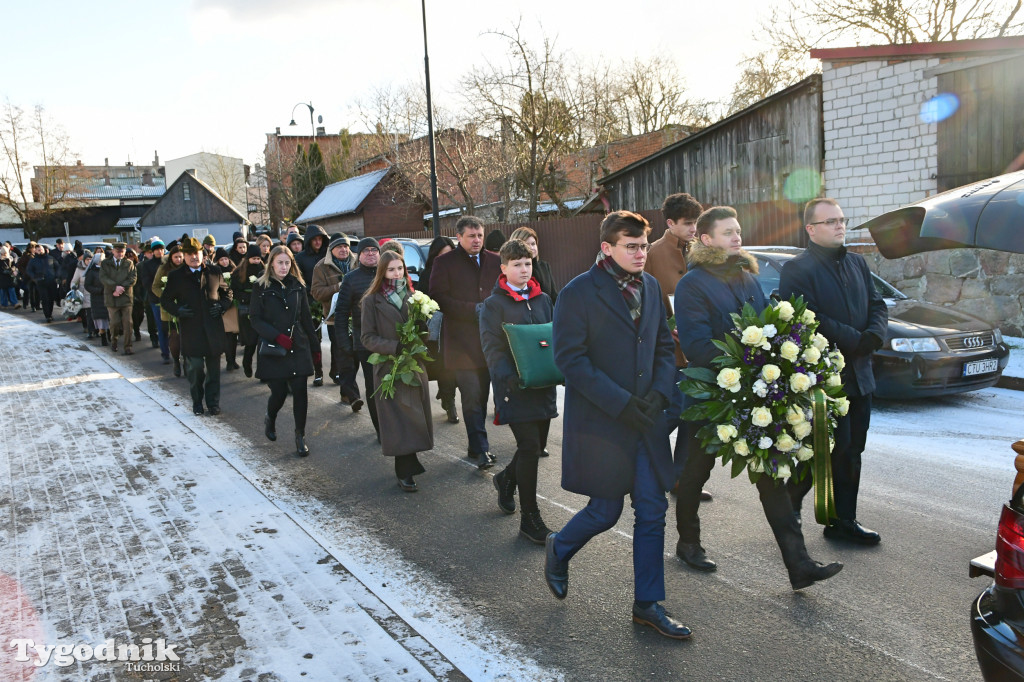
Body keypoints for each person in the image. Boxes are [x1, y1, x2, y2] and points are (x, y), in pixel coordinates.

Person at [674, 205, 843, 590]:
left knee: (770, 475)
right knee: (694, 472)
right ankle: (688, 542)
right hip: (711, 397)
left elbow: (768, 327)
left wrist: (783, 358)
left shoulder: (747, 277)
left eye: (738, 230)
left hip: (754, 397)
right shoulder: (692, 284)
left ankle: (799, 565)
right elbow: (697, 346)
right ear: (706, 239)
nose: (737, 237)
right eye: (728, 232)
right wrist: (748, 363)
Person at [544, 210, 691, 640]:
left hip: (647, 420)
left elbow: (663, 346)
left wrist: (660, 394)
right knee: (605, 511)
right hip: (603, 421)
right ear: (607, 247)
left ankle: (648, 604)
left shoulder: (651, 286)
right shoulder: (577, 292)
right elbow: (570, 359)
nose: (641, 253)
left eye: (644, 245)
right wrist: (621, 403)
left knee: (652, 509)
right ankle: (560, 547)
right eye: (631, 246)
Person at [781, 198, 887, 546]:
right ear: (811, 229)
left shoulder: (857, 262)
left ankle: (843, 521)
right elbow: (808, 317)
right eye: (830, 221)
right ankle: (789, 502)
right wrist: (856, 339)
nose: (840, 225)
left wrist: (874, 335)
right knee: (826, 449)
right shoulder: (797, 268)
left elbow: (877, 304)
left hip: (860, 373)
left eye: (841, 219)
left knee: (853, 449)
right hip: (825, 378)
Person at [479, 239, 556, 543]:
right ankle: (530, 519)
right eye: (517, 264)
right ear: (503, 268)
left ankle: (506, 479)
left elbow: (555, 336)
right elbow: (492, 348)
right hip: (515, 388)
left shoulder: (543, 299)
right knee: (529, 447)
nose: (524, 269)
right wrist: (509, 378)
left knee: (535, 447)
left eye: (527, 263)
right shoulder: (494, 305)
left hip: (544, 385)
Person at [643, 193, 712, 501]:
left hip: (698, 348)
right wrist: (664, 329)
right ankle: (645, 466)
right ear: (670, 223)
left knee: (692, 417)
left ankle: (681, 479)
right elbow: (644, 301)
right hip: (668, 350)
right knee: (671, 413)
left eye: (696, 222)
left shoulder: (700, 251)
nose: (693, 228)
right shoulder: (653, 253)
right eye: (687, 223)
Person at [429, 216, 502, 469]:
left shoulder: (495, 260)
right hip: (460, 343)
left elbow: (502, 290)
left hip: (488, 342)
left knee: (481, 396)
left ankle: (474, 445)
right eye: (471, 236)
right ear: (459, 237)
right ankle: (482, 449)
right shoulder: (444, 262)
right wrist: (472, 309)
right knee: (470, 395)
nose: (477, 240)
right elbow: (438, 297)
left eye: (480, 235)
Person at [360, 251, 434, 491]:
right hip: (389, 367)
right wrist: (394, 347)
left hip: (413, 365)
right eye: (391, 269)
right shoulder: (371, 300)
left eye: (400, 268)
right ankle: (404, 468)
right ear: (382, 272)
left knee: (414, 415)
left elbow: (423, 332)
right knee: (399, 419)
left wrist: (422, 329)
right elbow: (367, 338)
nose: (396, 274)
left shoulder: (414, 297)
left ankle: (409, 462)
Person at [250, 245, 319, 457]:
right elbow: (255, 319)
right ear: (271, 263)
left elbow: (306, 318)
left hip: (298, 345)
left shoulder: (297, 285)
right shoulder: (261, 286)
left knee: (300, 391)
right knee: (279, 392)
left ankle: (300, 436)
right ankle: (270, 417)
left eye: (287, 263)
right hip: (274, 348)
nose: (284, 267)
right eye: (280, 262)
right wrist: (276, 336)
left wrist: (315, 348)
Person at [160, 237, 229, 416]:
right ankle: (197, 402)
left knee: (214, 370)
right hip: (191, 329)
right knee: (196, 369)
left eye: (196, 253)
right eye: (189, 254)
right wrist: (178, 310)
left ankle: (213, 403)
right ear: (184, 256)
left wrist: (221, 306)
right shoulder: (176, 276)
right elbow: (165, 300)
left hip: (212, 328)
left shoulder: (214, 271)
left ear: (202, 254)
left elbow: (227, 293)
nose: (193, 257)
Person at [334, 238, 380, 432]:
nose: (370, 253)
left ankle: (393, 425)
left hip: (390, 341)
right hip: (365, 344)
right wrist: (345, 344)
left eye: (374, 250)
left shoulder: (387, 273)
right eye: (365, 250)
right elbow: (341, 314)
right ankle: (380, 429)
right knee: (374, 387)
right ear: (359, 255)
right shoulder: (351, 279)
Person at [421, 236, 459, 424]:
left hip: (457, 326)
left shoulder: (460, 272)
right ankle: (449, 402)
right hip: (435, 330)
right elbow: (421, 302)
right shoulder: (427, 274)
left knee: (457, 368)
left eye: (449, 254)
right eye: (442, 255)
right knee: (444, 366)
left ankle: (446, 395)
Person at [311, 234, 356, 385]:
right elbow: (316, 293)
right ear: (331, 249)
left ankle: (341, 373)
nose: (344, 249)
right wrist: (338, 287)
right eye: (339, 247)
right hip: (334, 317)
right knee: (339, 348)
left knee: (353, 350)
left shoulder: (357, 262)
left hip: (356, 315)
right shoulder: (321, 267)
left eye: (346, 246)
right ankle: (337, 373)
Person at [231, 244, 265, 377]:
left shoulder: (263, 270)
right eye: (254, 258)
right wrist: (247, 296)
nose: (256, 261)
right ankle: (247, 362)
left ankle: (262, 370)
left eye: (258, 258)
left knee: (262, 340)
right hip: (246, 307)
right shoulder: (239, 272)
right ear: (248, 258)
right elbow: (234, 290)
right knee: (251, 340)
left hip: (261, 307)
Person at [153, 241, 185, 375]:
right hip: (170, 309)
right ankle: (176, 361)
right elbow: (155, 286)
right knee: (174, 337)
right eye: (176, 257)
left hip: (185, 306)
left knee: (186, 337)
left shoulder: (187, 268)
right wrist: (166, 297)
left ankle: (187, 362)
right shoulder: (164, 268)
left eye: (181, 257)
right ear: (171, 257)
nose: (179, 259)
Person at [99, 242, 137, 353]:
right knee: (114, 323)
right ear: (113, 251)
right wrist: (115, 287)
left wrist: (121, 288)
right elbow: (103, 278)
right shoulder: (106, 263)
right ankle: (114, 341)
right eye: (118, 251)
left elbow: (133, 278)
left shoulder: (129, 263)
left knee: (128, 324)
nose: (120, 253)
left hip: (126, 297)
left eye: (122, 251)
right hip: (112, 297)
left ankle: (128, 346)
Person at [509, 226, 558, 303]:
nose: (531, 248)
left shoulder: (544, 266)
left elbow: (554, 296)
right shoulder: (512, 270)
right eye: (527, 244)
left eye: (533, 244)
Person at [140, 238, 169, 360]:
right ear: (153, 251)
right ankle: (165, 353)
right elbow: (147, 283)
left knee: (174, 328)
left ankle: (176, 351)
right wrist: (160, 291)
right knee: (162, 327)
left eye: (161, 249)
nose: (159, 251)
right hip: (156, 300)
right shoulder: (147, 265)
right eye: (156, 249)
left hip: (171, 298)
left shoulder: (168, 262)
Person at [214, 248, 241, 371]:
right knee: (227, 336)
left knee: (233, 336)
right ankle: (229, 361)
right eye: (221, 260)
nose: (224, 262)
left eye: (226, 259)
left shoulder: (235, 270)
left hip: (234, 307)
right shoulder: (215, 272)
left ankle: (232, 360)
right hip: (223, 307)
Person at [26, 242, 62, 322]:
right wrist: (35, 278)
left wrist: (56, 276)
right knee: (45, 299)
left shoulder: (50, 258)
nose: (40, 251)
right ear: (35, 251)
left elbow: (58, 267)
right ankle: (47, 316)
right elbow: (29, 270)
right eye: (38, 250)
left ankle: (50, 314)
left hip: (52, 281)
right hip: (41, 282)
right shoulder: (33, 261)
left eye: (41, 249)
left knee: (51, 299)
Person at [84, 251, 109, 345]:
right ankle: (103, 337)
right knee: (101, 319)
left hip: (108, 297)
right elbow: (87, 286)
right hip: (97, 299)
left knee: (109, 318)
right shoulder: (91, 272)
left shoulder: (107, 270)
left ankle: (111, 335)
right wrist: (98, 290)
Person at [69, 250, 94, 335]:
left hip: (92, 292)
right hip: (82, 292)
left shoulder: (94, 268)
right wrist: (73, 287)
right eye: (87, 259)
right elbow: (74, 281)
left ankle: (92, 330)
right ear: (84, 260)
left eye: (90, 259)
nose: (89, 261)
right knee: (84, 312)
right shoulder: (79, 269)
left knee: (91, 312)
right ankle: (86, 326)